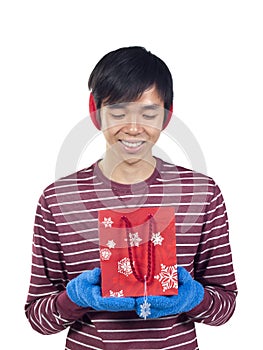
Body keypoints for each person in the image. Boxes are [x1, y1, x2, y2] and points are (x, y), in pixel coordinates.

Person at [25, 46, 237, 349]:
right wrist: (74, 298)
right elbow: (38, 318)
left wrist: (193, 298)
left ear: (166, 115)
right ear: (95, 111)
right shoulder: (58, 200)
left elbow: (225, 307)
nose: (134, 127)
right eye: (118, 111)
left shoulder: (201, 194)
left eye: (149, 113)